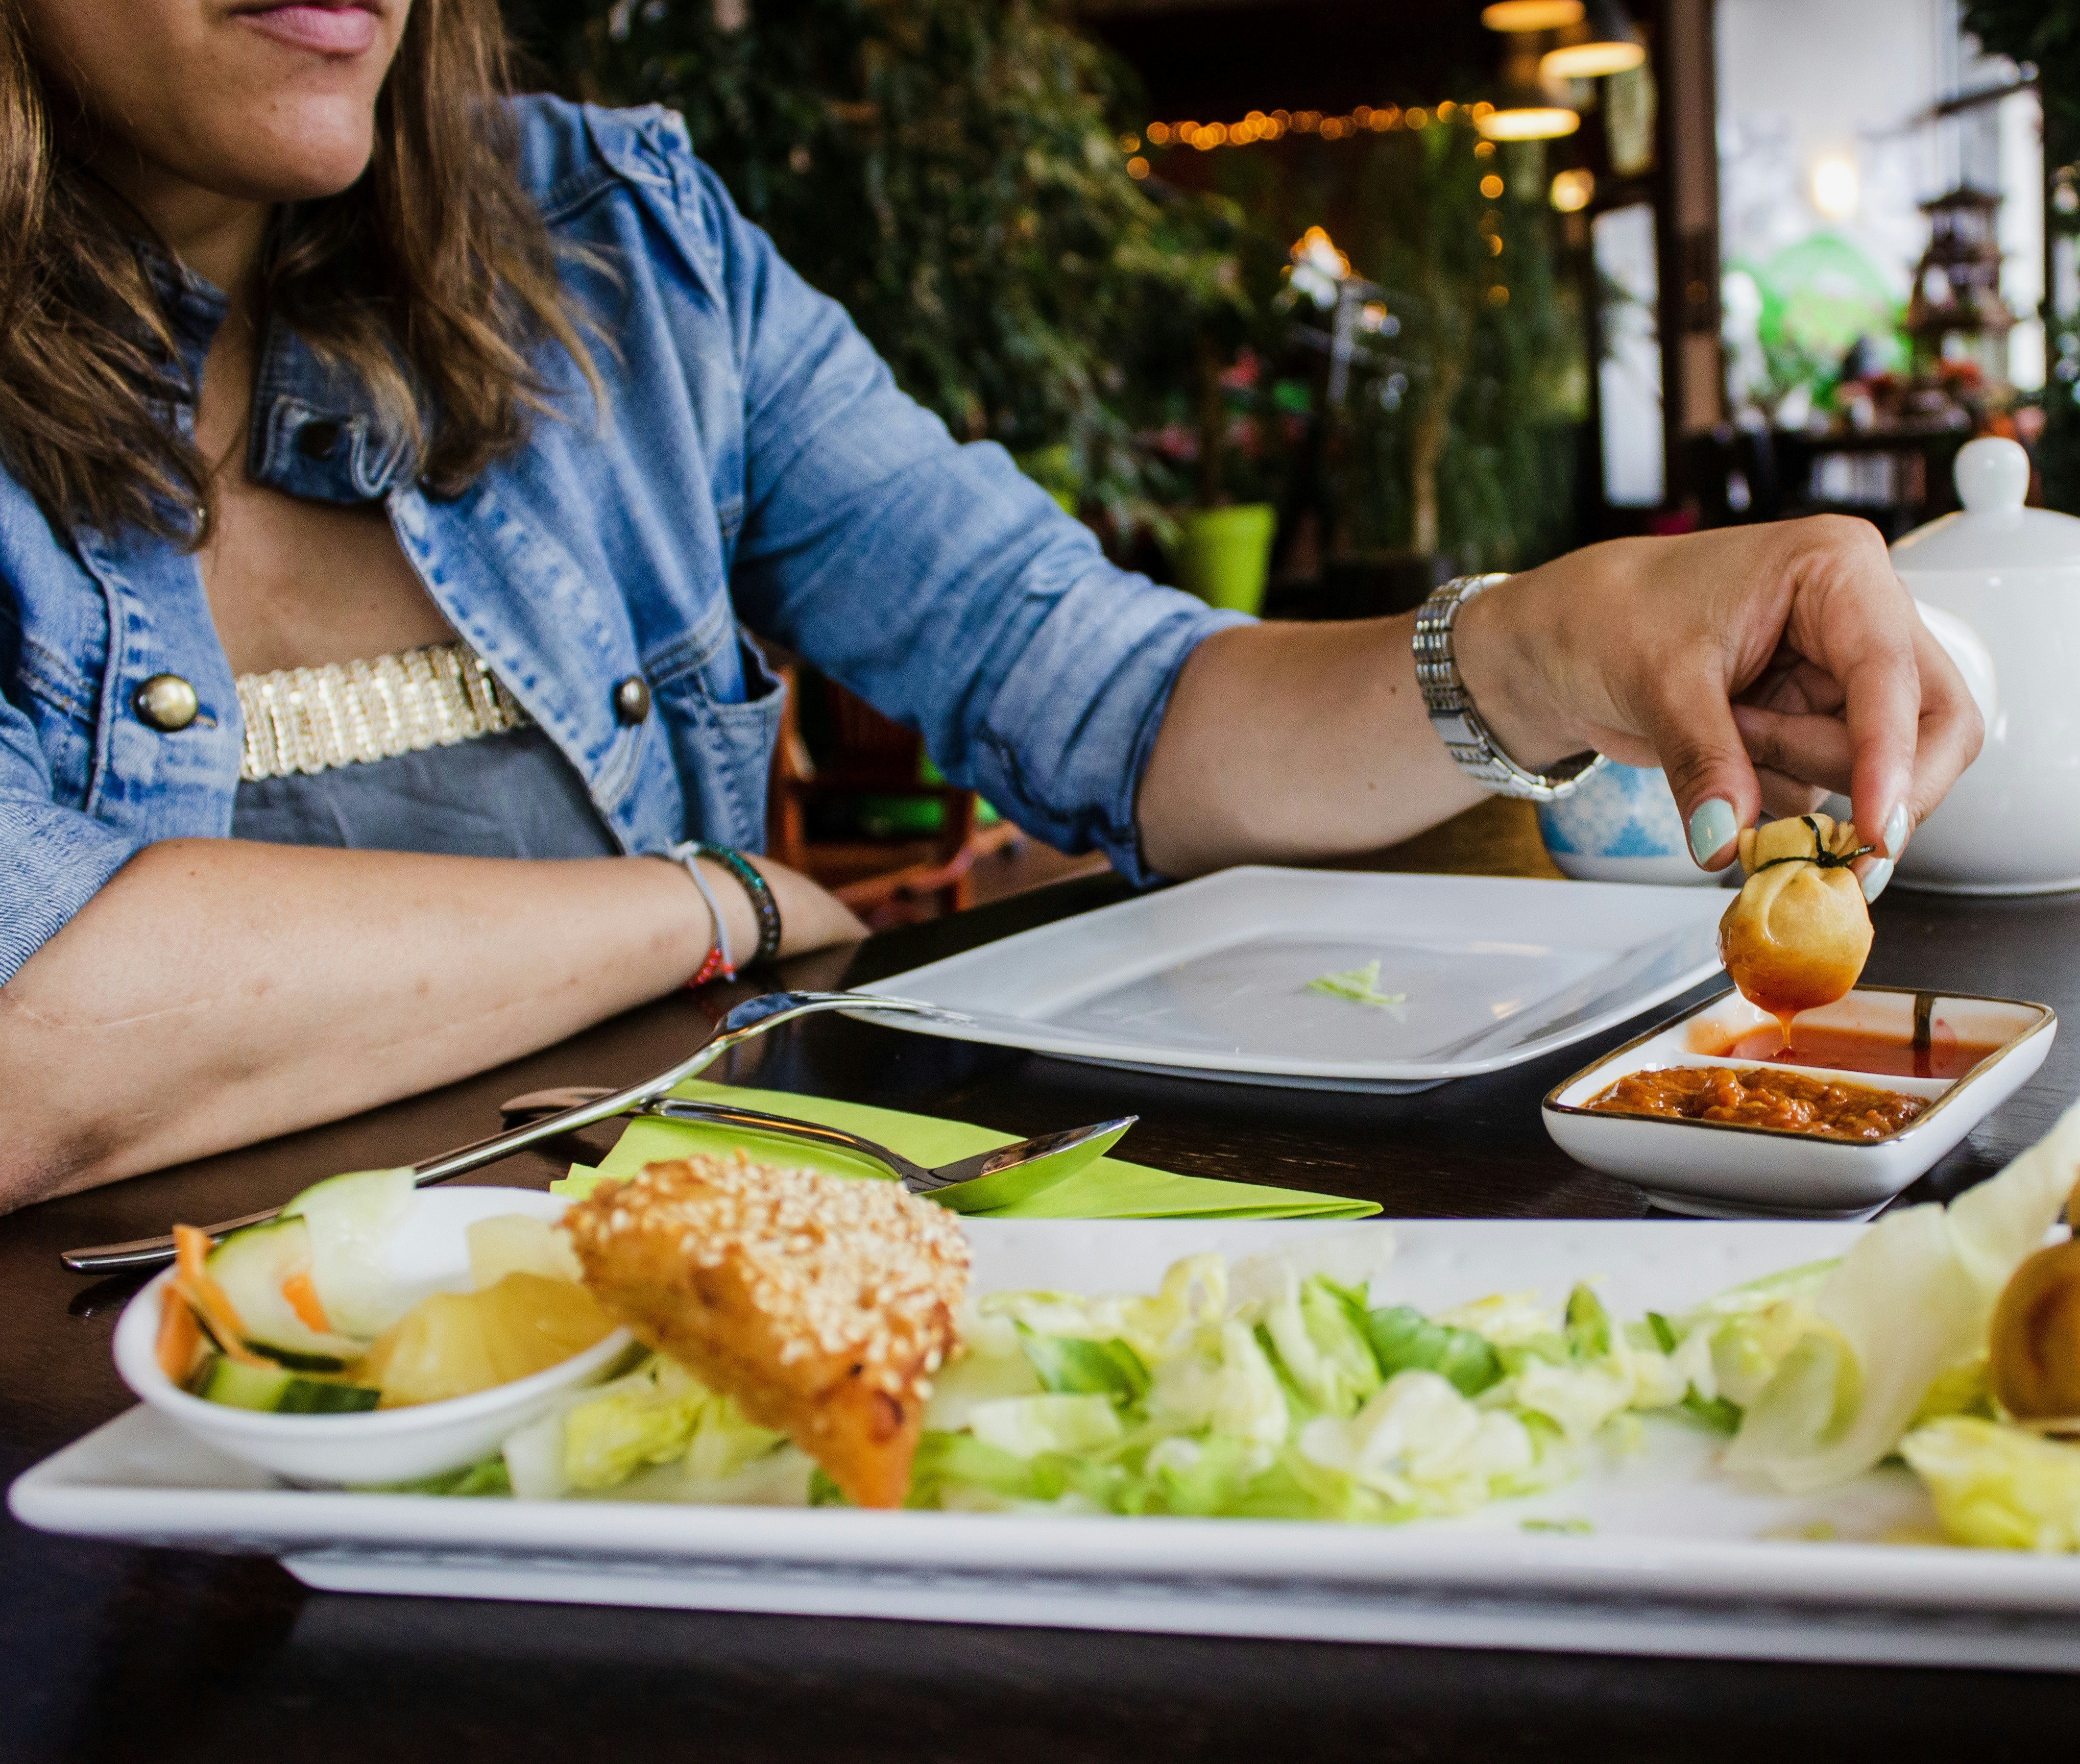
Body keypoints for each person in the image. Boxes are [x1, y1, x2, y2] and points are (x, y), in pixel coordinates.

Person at [0, 0, 1980, 1209]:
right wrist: (720, 904)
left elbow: (1117, 702)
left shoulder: (623, 254)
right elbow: (38, 1051)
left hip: (619, 1355)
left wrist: (1561, 637)